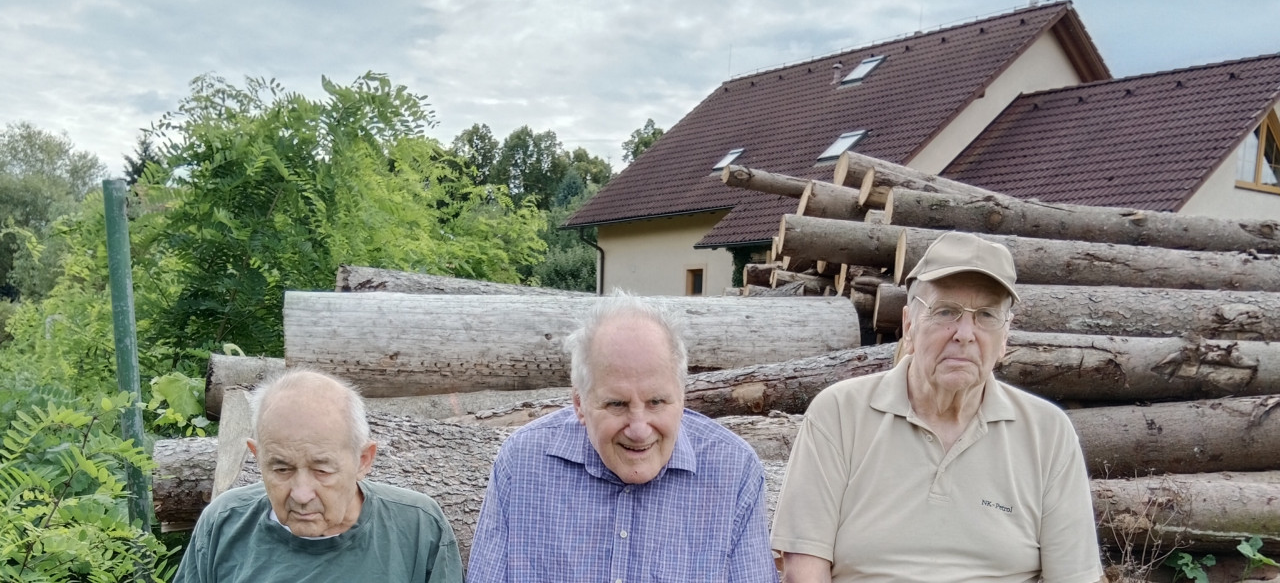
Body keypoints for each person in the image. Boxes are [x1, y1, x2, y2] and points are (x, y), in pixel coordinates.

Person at [771, 231, 1104, 583]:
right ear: (909, 325)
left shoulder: (1047, 431)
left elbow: (1074, 576)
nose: (964, 333)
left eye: (986, 316)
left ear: (1005, 338)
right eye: (946, 311)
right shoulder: (839, 413)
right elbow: (803, 568)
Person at [466, 293, 779, 582]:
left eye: (656, 402)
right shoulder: (522, 465)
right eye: (617, 404)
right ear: (579, 404)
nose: (639, 428)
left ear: (682, 396)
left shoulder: (733, 471)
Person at [174, 368, 463, 582]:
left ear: (363, 460)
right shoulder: (224, 524)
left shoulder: (418, 528)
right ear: (257, 456)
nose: (301, 494)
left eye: (322, 470)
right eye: (281, 469)